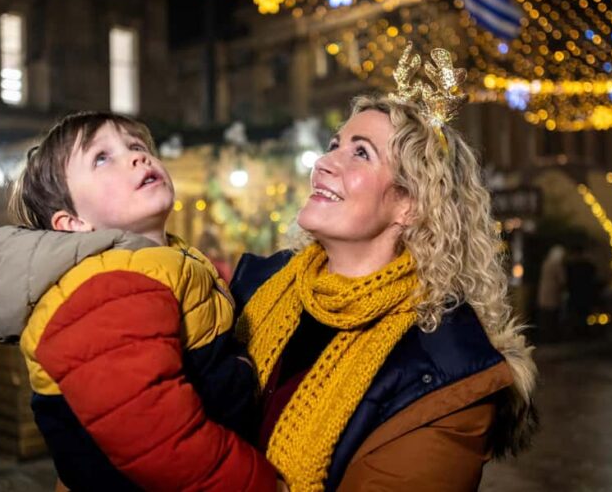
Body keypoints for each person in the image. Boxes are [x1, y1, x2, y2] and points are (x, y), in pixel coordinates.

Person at [231, 45, 538, 491]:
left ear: (410, 205)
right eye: (334, 145)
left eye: (361, 153)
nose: (323, 162)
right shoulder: (257, 287)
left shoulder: (444, 371)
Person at [0, 112, 279, 491]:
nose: (138, 157)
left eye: (136, 146)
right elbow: (155, 435)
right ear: (72, 222)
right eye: (102, 158)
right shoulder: (106, 283)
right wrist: (257, 485)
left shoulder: (159, 264)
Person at [536, 244, 567, 342]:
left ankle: (544, 337)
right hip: (553, 292)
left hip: (543, 292)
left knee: (545, 316)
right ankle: (551, 338)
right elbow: (562, 280)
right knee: (552, 316)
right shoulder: (557, 265)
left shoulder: (546, 263)